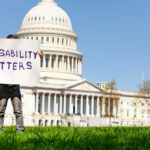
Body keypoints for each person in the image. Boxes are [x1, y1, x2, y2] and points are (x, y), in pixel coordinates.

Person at [0, 34, 43, 133]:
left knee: (18, 110)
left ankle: (20, 130)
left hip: (14, 86)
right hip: (2, 87)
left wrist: (37, 57)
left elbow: (30, 64)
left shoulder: (20, 54)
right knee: (1, 110)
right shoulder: (3, 53)